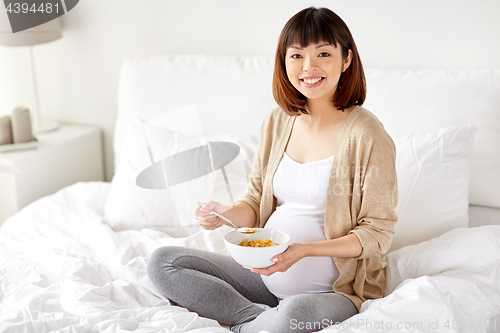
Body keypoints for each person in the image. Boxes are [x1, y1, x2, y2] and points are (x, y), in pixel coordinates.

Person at [147, 6, 398, 333]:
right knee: (164, 263)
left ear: (346, 59)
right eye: (296, 56)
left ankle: (259, 322)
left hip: (332, 292)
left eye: (323, 53)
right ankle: (251, 319)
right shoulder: (277, 122)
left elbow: (378, 233)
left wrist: (304, 251)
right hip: (264, 275)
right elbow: (255, 199)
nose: (309, 67)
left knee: (297, 311)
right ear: (284, 61)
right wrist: (226, 213)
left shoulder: (368, 135)